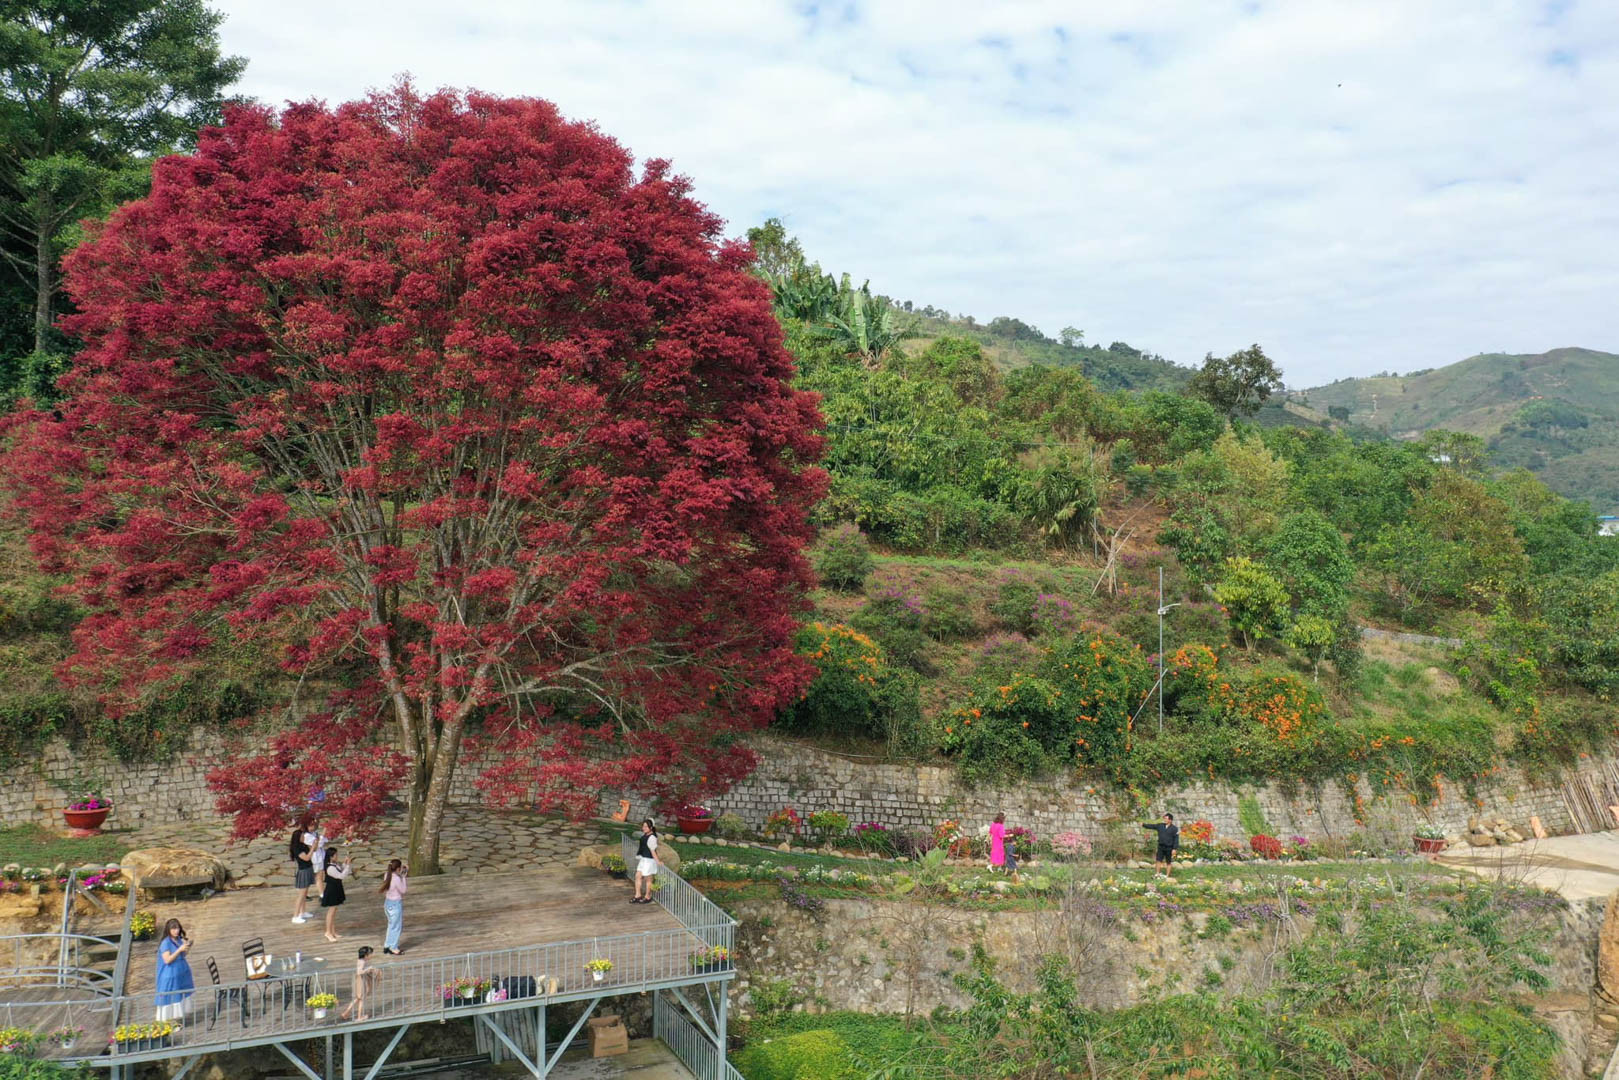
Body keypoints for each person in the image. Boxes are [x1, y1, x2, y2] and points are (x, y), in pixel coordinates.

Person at [154, 919, 195, 1022]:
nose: (176, 931)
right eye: (173, 929)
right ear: (168, 930)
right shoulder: (165, 943)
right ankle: (168, 1022)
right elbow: (167, 960)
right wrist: (179, 949)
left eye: (177, 928)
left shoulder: (178, 940)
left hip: (180, 972)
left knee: (179, 997)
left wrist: (187, 947)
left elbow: (182, 955)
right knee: (169, 999)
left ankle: (177, 1020)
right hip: (169, 974)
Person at [338, 946, 378, 1022]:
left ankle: (345, 1013)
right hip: (361, 981)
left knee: (357, 998)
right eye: (370, 954)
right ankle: (359, 1017)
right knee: (361, 999)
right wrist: (369, 969)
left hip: (360, 980)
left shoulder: (361, 960)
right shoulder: (362, 962)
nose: (372, 955)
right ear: (366, 955)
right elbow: (359, 972)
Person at [320, 846, 351, 942]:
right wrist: (348, 866)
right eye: (335, 855)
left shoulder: (334, 864)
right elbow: (341, 876)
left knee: (334, 911)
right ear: (331, 857)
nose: (337, 856)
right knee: (331, 912)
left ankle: (332, 931)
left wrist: (345, 864)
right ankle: (328, 932)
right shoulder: (330, 868)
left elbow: (340, 870)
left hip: (336, 889)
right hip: (332, 890)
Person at [289, 819, 316, 923]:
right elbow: (307, 858)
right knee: (301, 895)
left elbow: (313, 850)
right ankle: (295, 916)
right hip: (303, 871)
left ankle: (302, 912)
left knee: (305, 893)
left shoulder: (303, 845)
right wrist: (312, 848)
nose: (304, 836)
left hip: (308, 868)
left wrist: (313, 845)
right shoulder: (297, 848)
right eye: (302, 835)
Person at [379, 858, 407, 955]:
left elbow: (394, 878)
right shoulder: (396, 879)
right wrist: (403, 877)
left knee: (391, 925)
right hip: (395, 905)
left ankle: (387, 945)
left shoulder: (387, 875)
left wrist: (400, 874)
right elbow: (403, 890)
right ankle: (394, 948)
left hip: (387, 903)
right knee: (397, 927)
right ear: (398, 868)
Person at [632, 818, 662, 904]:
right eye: (643, 826)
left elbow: (653, 851)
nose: (643, 828)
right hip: (643, 859)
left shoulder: (652, 837)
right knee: (638, 876)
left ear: (651, 828)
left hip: (649, 861)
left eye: (646, 826)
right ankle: (638, 895)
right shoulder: (645, 835)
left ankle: (648, 896)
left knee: (648, 879)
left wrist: (658, 861)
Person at [1141, 813, 1179, 877]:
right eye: (1164, 818)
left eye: (1166, 818)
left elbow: (1176, 839)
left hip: (1169, 848)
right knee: (1158, 860)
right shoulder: (1160, 825)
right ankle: (1157, 874)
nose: (1164, 820)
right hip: (1161, 847)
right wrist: (1143, 825)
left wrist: (1174, 848)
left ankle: (1167, 876)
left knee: (1168, 862)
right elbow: (1152, 826)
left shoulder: (1175, 829)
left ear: (1170, 820)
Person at [988, 812, 1021, 884]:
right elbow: (1002, 836)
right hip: (998, 842)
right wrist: (1010, 835)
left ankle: (999, 867)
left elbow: (990, 832)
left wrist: (990, 840)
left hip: (994, 841)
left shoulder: (993, 824)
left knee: (995, 854)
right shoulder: (1001, 826)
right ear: (1002, 819)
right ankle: (990, 866)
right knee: (999, 855)